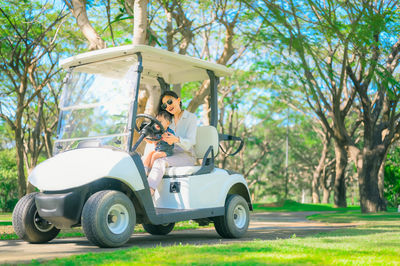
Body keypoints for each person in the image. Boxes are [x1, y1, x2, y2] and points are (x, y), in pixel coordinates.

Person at [145, 91, 197, 196]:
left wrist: (176, 140)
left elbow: (191, 142)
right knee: (145, 158)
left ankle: (148, 192)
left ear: (178, 100)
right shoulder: (167, 120)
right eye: (165, 105)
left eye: (170, 101)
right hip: (169, 153)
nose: (168, 106)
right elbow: (159, 138)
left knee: (159, 162)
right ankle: (141, 182)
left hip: (186, 155)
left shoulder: (191, 118)